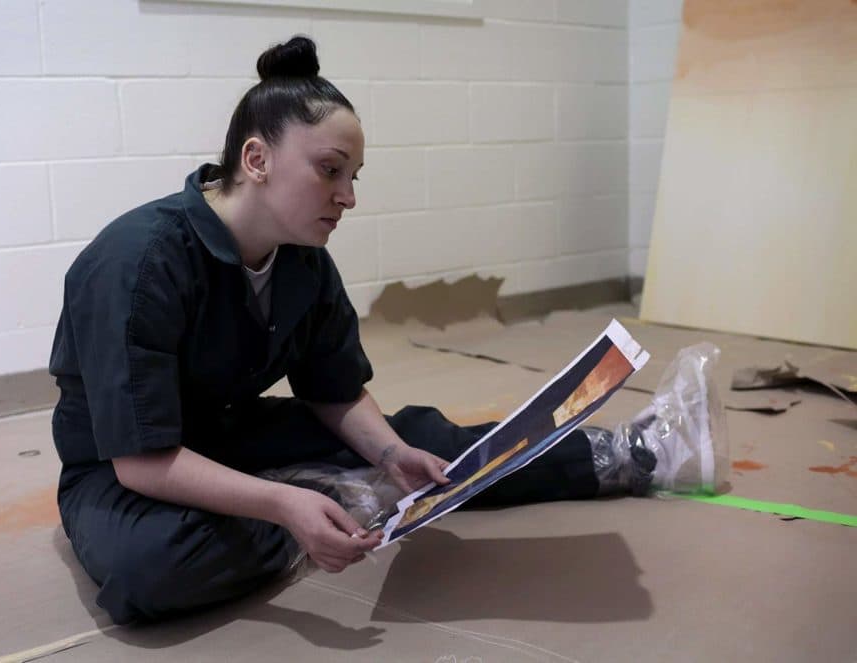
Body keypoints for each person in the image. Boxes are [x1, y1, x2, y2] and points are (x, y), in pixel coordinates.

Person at [49, 36, 716, 626]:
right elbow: (142, 460)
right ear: (256, 158)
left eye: (353, 177)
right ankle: (326, 503)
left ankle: (637, 451)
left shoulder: (303, 262)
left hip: (232, 436)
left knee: (420, 443)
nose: (348, 196)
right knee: (149, 568)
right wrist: (286, 505)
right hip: (122, 469)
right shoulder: (139, 263)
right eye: (330, 170)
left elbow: (334, 389)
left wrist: (391, 454)